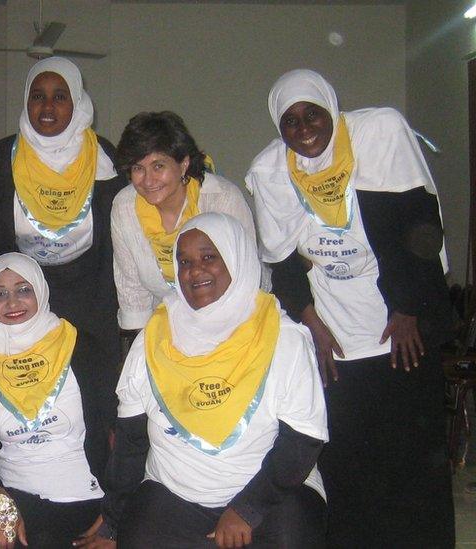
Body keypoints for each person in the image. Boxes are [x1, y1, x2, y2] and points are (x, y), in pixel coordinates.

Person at [246, 69, 454, 547]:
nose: (303, 129)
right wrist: (311, 323)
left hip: (401, 331)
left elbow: (421, 227)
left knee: (411, 458)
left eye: (312, 115)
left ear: (331, 112)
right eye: (290, 122)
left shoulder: (378, 138)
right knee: (350, 463)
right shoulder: (273, 172)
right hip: (335, 341)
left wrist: (406, 309)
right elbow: (282, 263)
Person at [90, 213, 327, 548]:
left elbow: (302, 442)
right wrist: (112, 523)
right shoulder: (153, 339)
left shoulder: (284, 337)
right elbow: (131, 443)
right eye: (184, 262)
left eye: (208, 257)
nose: (194, 271)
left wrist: (246, 509)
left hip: (270, 492)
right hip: (176, 494)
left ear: (236, 259)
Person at [0, 57, 127, 368]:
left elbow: (121, 233)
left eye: (59, 96)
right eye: (37, 96)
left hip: (92, 294)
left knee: (94, 384)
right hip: (21, 296)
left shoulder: (105, 158)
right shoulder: (1, 157)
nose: (47, 106)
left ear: (76, 101)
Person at [0, 252, 115, 548]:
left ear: (41, 290)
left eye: (24, 290)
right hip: (12, 493)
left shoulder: (81, 348)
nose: (12, 303)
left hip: (84, 496)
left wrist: (116, 511)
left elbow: (123, 433)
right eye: (0, 294)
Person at [111, 111, 257, 331]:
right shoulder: (124, 207)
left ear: (184, 164)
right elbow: (132, 294)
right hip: (166, 327)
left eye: (158, 166)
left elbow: (247, 282)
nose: (148, 180)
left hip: (232, 322)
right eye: (138, 169)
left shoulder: (222, 199)